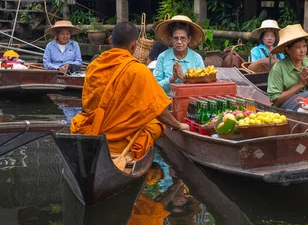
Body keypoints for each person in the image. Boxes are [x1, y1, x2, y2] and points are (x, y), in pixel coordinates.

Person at [70, 22, 189, 161]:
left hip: (93, 131)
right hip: (123, 138)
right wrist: (178, 125)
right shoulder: (139, 70)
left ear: (110, 41)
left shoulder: (94, 66)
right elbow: (158, 109)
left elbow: (87, 105)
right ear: (134, 45)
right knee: (157, 125)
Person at [267, 24, 308, 111]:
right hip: (286, 105)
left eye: (304, 46)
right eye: (298, 47)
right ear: (288, 50)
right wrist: (299, 85)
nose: (303, 51)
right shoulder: (278, 68)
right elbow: (276, 100)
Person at [152, 15, 206, 97]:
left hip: (190, 100)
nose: (179, 42)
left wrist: (184, 78)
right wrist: (172, 79)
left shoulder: (196, 58)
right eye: (175, 38)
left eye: (183, 38)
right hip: (166, 101)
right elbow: (155, 86)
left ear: (189, 39)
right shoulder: (163, 57)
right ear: (171, 39)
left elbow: (202, 86)